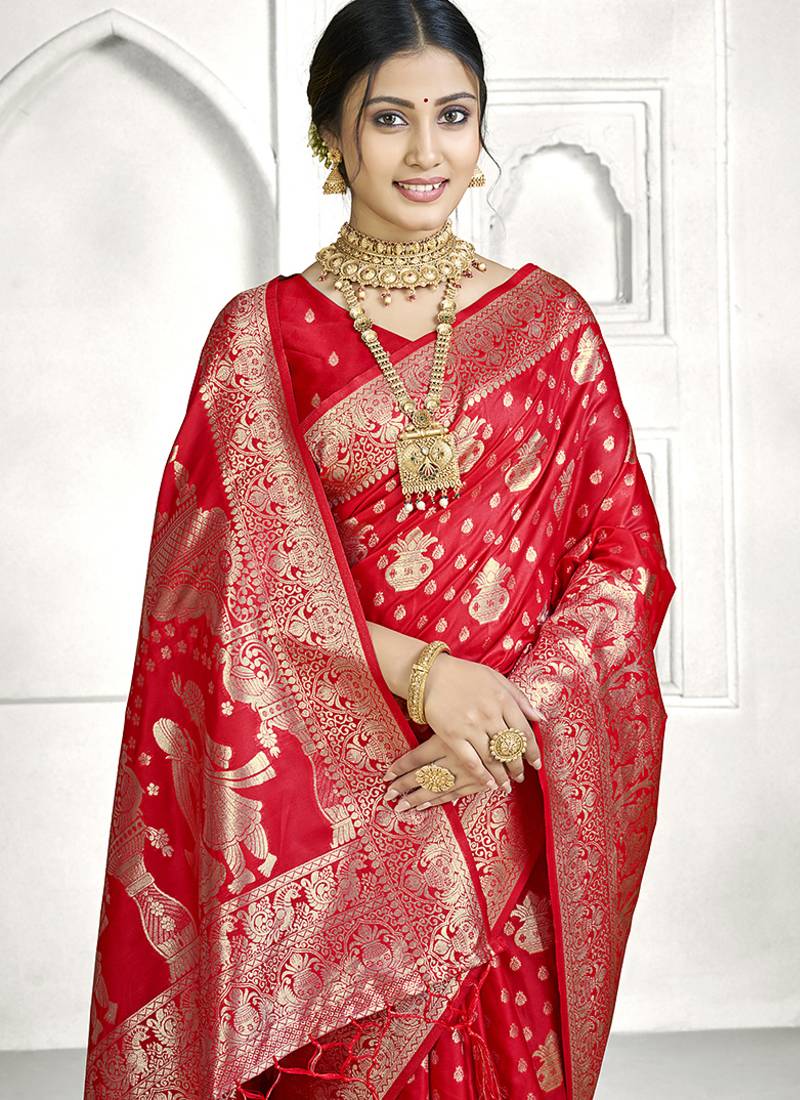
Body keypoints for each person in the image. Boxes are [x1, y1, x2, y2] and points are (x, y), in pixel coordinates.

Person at [82, 2, 676, 1098]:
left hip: (496, 779)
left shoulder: (550, 325)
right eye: (389, 117)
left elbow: (623, 563)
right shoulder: (261, 336)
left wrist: (512, 712)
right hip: (333, 804)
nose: (425, 150)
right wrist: (425, 674)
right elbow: (214, 592)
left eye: (453, 115)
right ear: (333, 135)